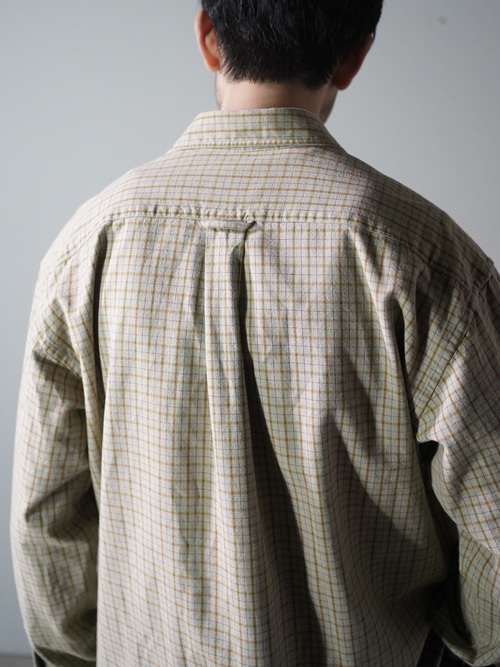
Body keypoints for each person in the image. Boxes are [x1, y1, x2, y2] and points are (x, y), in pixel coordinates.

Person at [10, 1, 500, 665]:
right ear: (355, 57)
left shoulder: (89, 244)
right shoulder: (421, 254)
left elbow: (46, 513)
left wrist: (82, 651)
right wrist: (465, 640)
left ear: (208, 37)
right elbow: (491, 513)